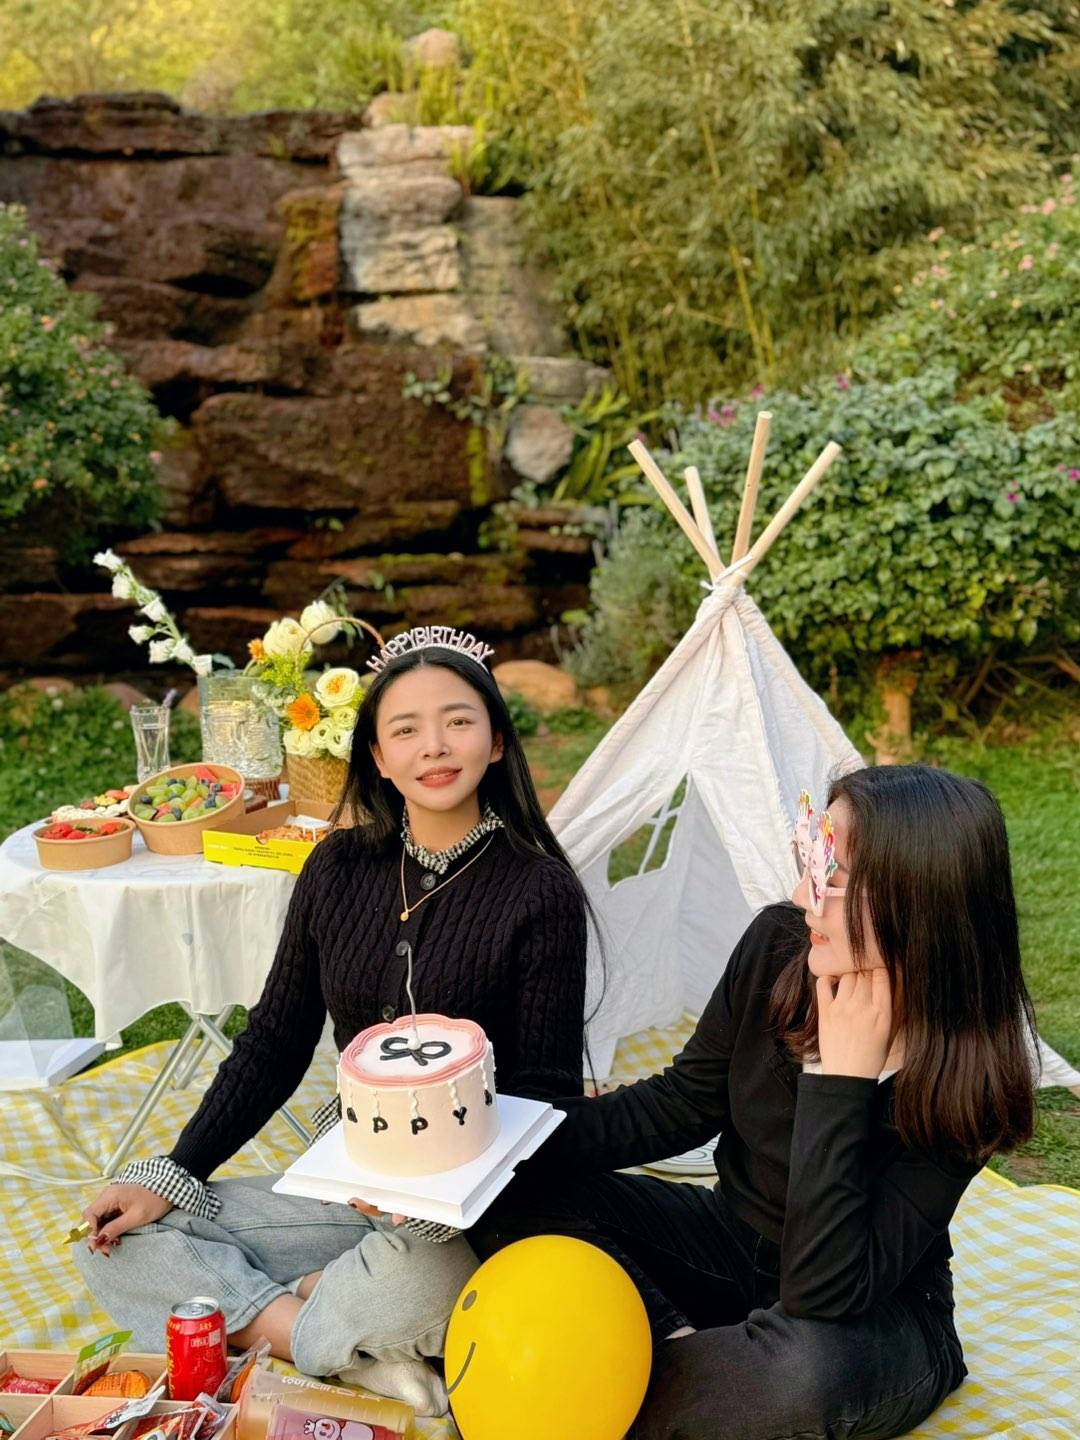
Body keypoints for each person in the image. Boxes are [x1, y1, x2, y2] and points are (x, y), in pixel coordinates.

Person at [75, 629, 589, 1416]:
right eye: (406, 729)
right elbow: (275, 1041)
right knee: (116, 1240)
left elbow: (547, 1092)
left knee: (427, 1281)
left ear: (494, 741)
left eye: (457, 721)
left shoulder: (539, 890)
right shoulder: (337, 867)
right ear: (378, 757)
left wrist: (432, 1199)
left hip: (460, 1215)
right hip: (346, 1182)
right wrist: (177, 1171)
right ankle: (335, 1343)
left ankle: (289, 1322)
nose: (434, 746)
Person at [472, 763, 1037, 1440]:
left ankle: (609, 1384)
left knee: (805, 1373)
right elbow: (677, 1105)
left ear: (920, 902)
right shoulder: (778, 947)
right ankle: (682, 1355)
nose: (803, 894)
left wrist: (840, 1081)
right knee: (506, 1185)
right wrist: (489, 1139)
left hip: (867, 1315)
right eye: (811, 859)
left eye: (832, 875)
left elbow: (824, 1291)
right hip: (729, 1244)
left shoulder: (972, 1079)